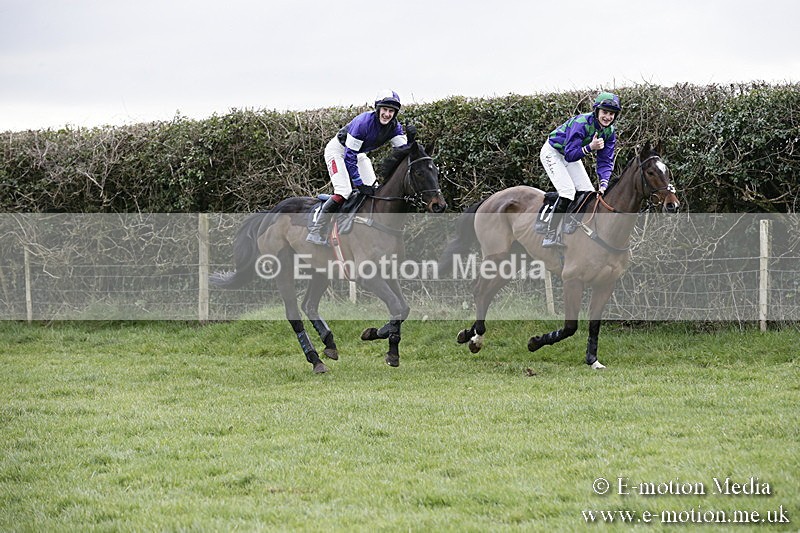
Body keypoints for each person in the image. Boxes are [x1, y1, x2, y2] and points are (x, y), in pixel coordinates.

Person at [306, 90, 410, 245]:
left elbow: (404, 151)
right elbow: (349, 157)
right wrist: (358, 182)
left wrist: (411, 140)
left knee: (374, 190)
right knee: (344, 191)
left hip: (358, 154)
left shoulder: (394, 127)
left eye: (391, 111)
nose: (387, 114)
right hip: (338, 152)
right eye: (385, 109)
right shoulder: (363, 123)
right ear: (378, 109)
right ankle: (316, 230)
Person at [539, 91, 622, 247]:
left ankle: (569, 224)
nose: (608, 117)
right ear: (597, 111)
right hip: (553, 152)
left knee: (587, 192)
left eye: (612, 114)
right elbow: (570, 155)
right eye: (605, 112)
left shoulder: (609, 132)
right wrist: (590, 147)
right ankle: (549, 235)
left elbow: (605, 160)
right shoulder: (581, 123)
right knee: (568, 192)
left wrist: (604, 182)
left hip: (570, 154)